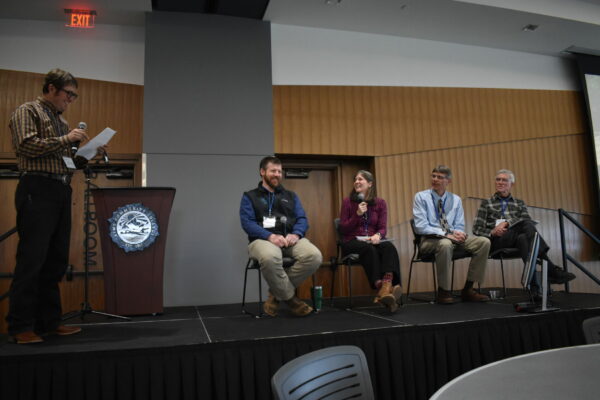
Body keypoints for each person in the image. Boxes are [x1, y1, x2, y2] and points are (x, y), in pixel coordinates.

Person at [7, 68, 105, 344]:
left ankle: (49, 323)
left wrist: (90, 153)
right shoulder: (28, 111)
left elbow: (67, 163)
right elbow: (26, 147)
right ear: (51, 88)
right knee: (32, 259)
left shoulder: (61, 122)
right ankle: (20, 326)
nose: (71, 100)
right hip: (36, 189)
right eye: (68, 94)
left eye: (74, 95)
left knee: (56, 260)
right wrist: (67, 140)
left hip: (60, 188)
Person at [240, 156, 322, 317]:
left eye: (279, 171)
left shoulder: (291, 196)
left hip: (290, 239)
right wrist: (269, 236)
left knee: (314, 256)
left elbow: (302, 219)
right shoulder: (250, 196)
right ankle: (292, 300)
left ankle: (276, 294)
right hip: (262, 240)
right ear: (262, 172)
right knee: (270, 257)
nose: (277, 174)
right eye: (273, 171)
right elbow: (247, 223)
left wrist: (296, 234)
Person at [472, 169, 575, 286]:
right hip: (498, 241)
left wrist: (506, 222)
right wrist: (493, 232)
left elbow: (526, 220)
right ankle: (550, 267)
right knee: (526, 225)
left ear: (512, 184)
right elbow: (476, 229)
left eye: (504, 180)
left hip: (517, 240)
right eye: (498, 179)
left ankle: (535, 289)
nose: (500, 182)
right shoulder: (487, 203)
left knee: (524, 239)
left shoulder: (519, 203)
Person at [413, 165, 490, 304]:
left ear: (448, 181)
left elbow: (459, 225)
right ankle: (444, 291)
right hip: (430, 240)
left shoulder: (456, 199)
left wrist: (459, 233)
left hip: (452, 238)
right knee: (445, 243)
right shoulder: (421, 197)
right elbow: (420, 227)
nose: (435, 179)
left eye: (440, 177)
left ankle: (468, 289)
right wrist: (445, 234)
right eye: (433, 176)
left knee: (484, 242)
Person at [338, 170, 402, 312]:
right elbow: (343, 229)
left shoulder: (380, 203)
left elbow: (382, 227)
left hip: (372, 239)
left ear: (370, 184)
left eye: (360, 179)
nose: (357, 182)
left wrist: (378, 235)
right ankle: (384, 288)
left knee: (389, 247)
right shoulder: (348, 202)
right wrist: (357, 215)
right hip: (352, 241)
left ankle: (385, 288)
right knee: (369, 249)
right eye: (355, 179)